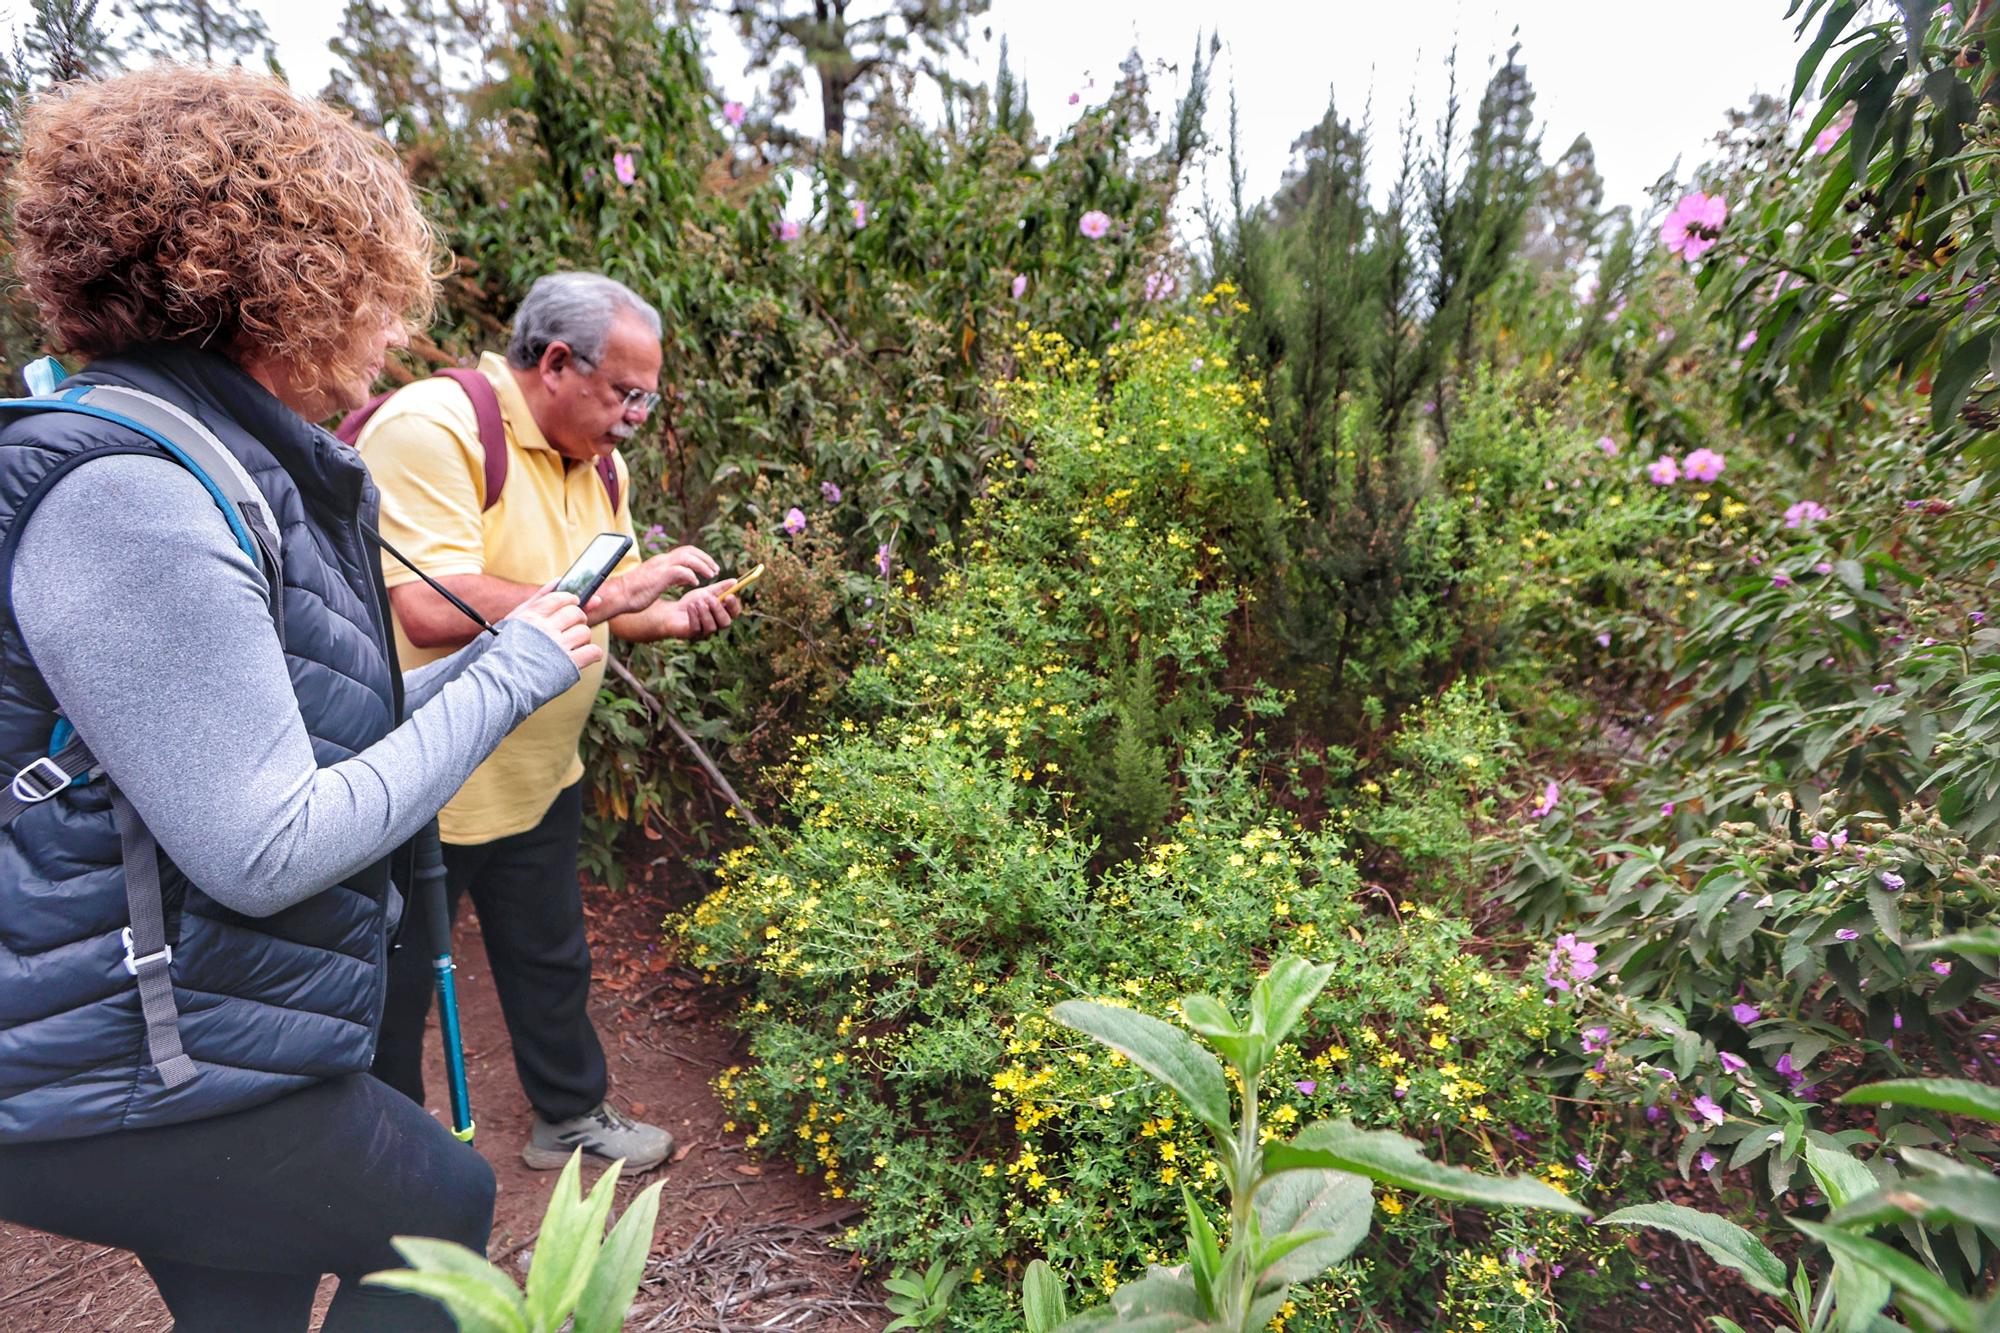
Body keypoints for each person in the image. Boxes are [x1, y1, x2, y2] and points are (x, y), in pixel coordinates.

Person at [0, 68, 603, 1331]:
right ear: (279, 286)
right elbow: (266, 844)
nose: (390, 331)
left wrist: (476, 677)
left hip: (174, 1025)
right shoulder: (133, 496)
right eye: (376, 292)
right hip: (116, 1061)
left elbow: (285, 735)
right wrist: (505, 674)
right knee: (442, 1206)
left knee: (248, 1290)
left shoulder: (217, 459)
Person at [360, 272, 740, 1173]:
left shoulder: (600, 461)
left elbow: (605, 604)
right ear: (559, 363)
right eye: (626, 392)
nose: (637, 415)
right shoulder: (434, 429)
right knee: (396, 983)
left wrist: (671, 615)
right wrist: (618, 592)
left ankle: (568, 1115)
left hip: (537, 773)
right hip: (424, 782)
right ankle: (389, 1164)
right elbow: (428, 604)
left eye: (647, 397)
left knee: (550, 957)